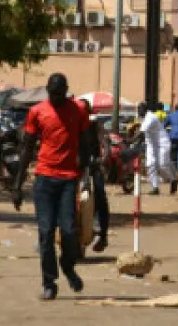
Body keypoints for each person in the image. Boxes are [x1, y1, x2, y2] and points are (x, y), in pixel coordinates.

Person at [14, 73, 88, 300]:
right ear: (48, 91)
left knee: (69, 230)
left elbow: (86, 140)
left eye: (60, 94)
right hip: (44, 179)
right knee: (46, 234)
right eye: (52, 94)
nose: (56, 98)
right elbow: (27, 148)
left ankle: (67, 265)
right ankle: (49, 282)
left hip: (68, 179)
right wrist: (17, 184)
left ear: (66, 91)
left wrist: (86, 168)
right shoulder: (37, 112)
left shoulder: (78, 110)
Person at [78, 99, 111, 252]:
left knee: (99, 195)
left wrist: (102, 158)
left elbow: (104, 143)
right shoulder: (71, 123)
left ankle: (102, 234)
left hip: (92, 165)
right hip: (74, 166)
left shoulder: (94, 125)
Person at [139, 100, 178, 195]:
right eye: (138, 109)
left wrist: (129, 140)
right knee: (150, 165)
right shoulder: (143, 118)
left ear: (145, 109)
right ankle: (155, 188)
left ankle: (173, 179)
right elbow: (142, 133)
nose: (138, 111)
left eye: (140, 109)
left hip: (162, 143)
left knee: (162, 164)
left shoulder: (150, 117)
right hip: (151, 145)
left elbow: (141, 133)